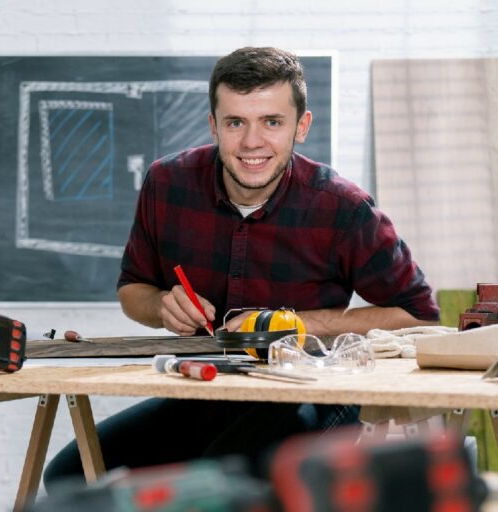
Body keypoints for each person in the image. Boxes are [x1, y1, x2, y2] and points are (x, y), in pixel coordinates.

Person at [43, 47, 439, 491]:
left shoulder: (343, 207)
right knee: (69, 476)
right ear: (214, 125)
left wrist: (291, 326)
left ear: (301, 127)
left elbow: (420, 315)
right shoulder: (166, 183)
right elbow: (133, 289)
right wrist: (161, 307)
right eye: (235, 123)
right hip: (207, 389)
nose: (252, 142)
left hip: (312, 392)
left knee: (215, 482)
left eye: (272, 122)